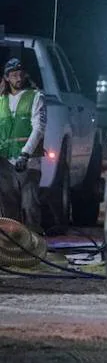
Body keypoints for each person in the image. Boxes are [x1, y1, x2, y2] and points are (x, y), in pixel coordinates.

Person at [0, 58, 48, 233]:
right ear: (6, 78)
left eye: (20, 74)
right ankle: (14, 251)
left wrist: (25, 154)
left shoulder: (36, 97)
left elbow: (39, 128)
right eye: (13, 75)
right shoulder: (1, 100)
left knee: (30, 206)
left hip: (28, 163)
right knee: (8, 211)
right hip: (5, 163)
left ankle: (35, 246)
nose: (18, 78)